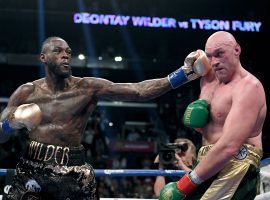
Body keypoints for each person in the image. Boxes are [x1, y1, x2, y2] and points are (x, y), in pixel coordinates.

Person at [0, 36, 210, 200]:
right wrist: (12, 123)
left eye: (68, 52)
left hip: (72, 172)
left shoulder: (86, 87)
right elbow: (1, 136)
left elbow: (138, 91)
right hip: (31, 169)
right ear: (43, 57)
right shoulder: (26, 92)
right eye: (58, 51)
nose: (65, 55)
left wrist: (183, 74)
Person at [159, 31, 267, 200]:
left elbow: (229, 146)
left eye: (220, 54)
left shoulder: (249, 87)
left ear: (237, 50)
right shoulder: (208, 79)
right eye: (210, 56)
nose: (215, 62)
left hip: (237, 164)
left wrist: (184, 184)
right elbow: (198, 58)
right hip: (208, 161)